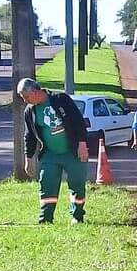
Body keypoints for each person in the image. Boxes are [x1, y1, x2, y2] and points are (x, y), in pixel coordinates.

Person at [19, 77, 90, 224]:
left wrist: (82, 143)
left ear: (36, 91)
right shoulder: (30, 112)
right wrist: (28, 157)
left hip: (72, 151)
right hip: (50, 154)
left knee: (77, 184)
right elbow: (30, 136)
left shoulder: (60, 99)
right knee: (47, 182)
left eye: (26, 97)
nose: (25, 101)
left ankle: (77, 216)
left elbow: (78, 121)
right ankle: (46, 218)